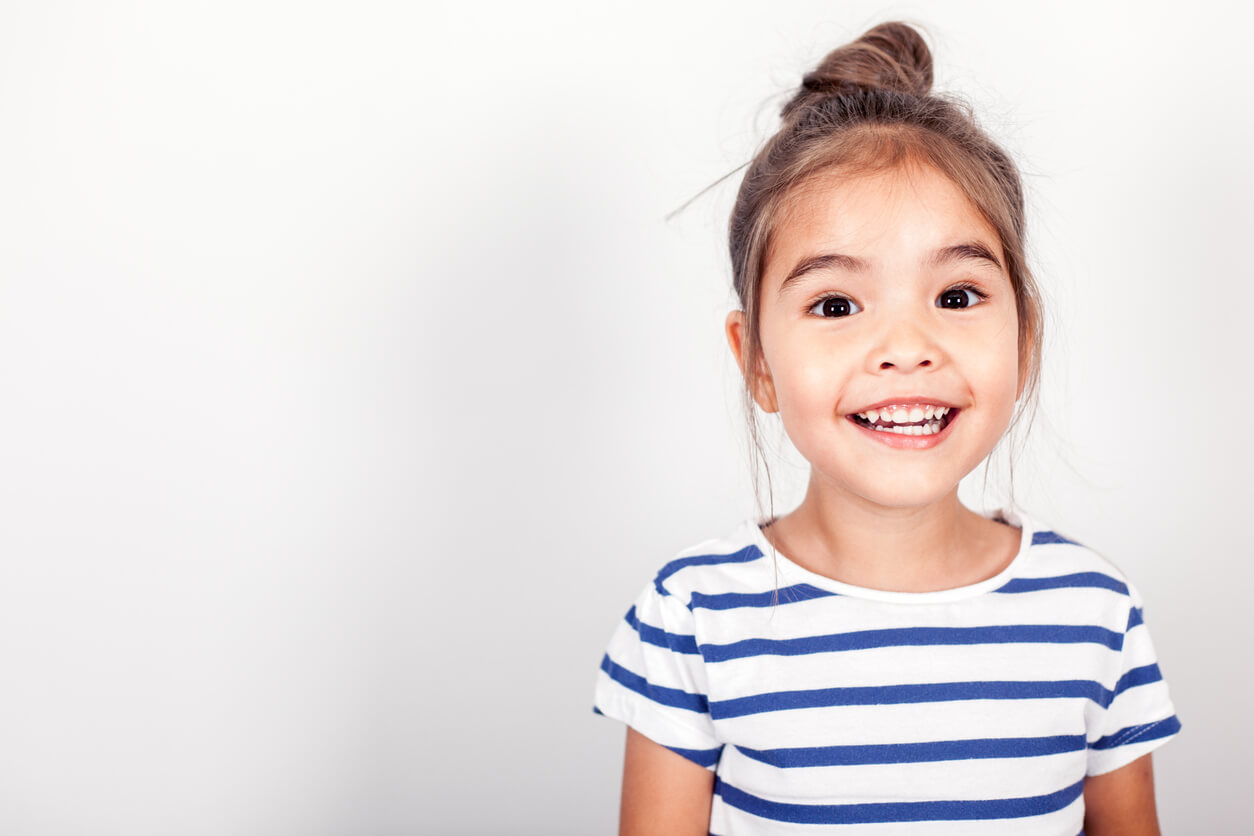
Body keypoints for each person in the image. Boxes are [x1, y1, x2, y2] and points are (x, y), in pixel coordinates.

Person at [592, 20, 1180, 836]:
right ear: (756, 359)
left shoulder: (1097, 614)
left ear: (1025, 335)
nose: (906, 349)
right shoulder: (691, 620)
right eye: (836, 304)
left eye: (957, 296)